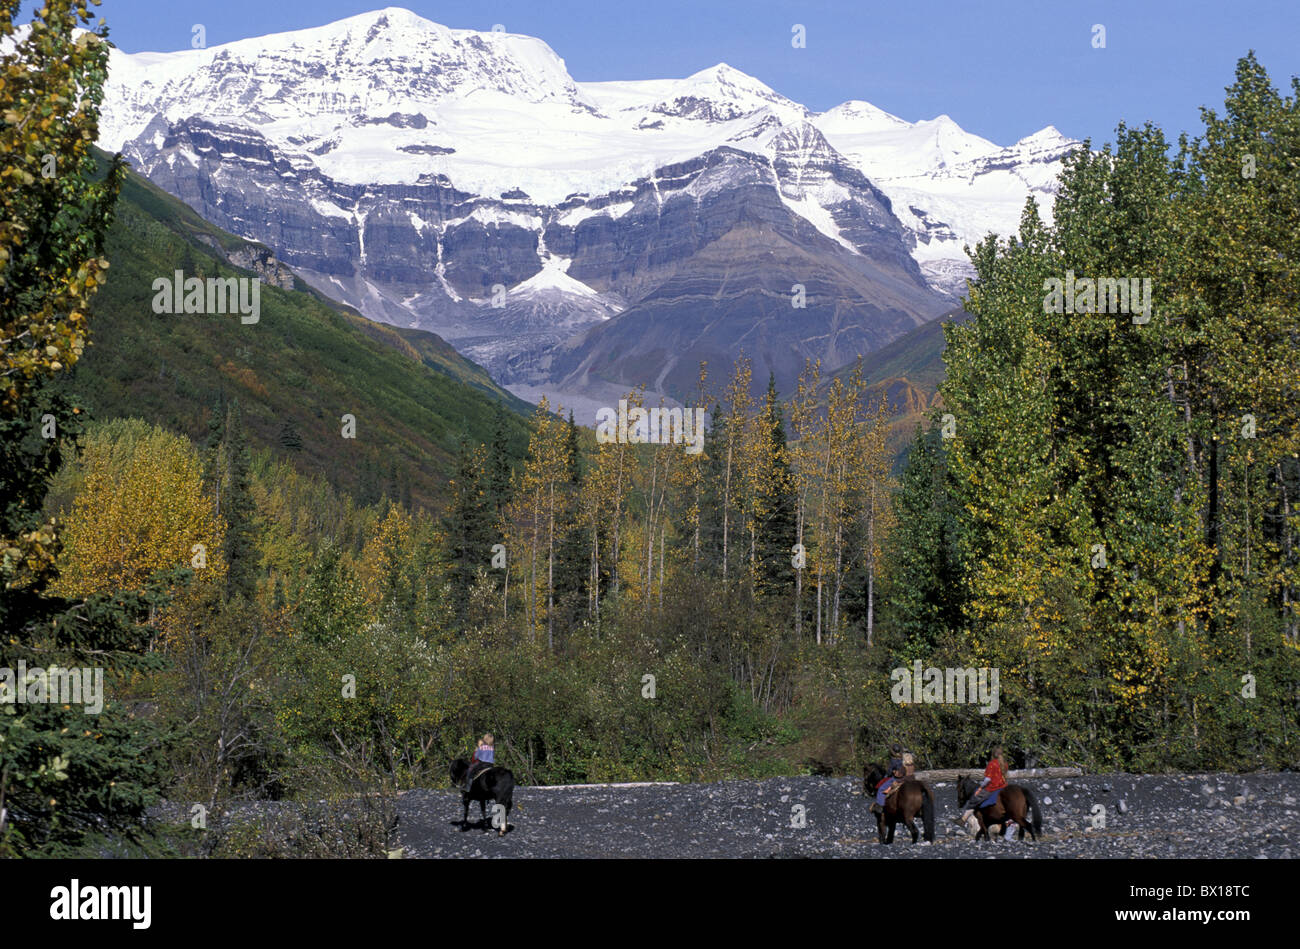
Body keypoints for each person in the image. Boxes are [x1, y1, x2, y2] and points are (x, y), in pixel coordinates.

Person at [955, 745, 1009, 829]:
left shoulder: (992, 764)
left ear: (993, 754)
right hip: (1004, 786)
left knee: (974, 799)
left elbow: (987, 780)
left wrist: (981, 786)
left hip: (993, 787)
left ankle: (963, 819)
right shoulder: (1005, 764)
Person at [870, 744, 907, 815]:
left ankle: (880, 806)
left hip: (896, 778)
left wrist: (885, 776)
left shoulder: (893, 760)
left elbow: (890, 771)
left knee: (881, 789)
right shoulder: (902, 758)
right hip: (904, 778)